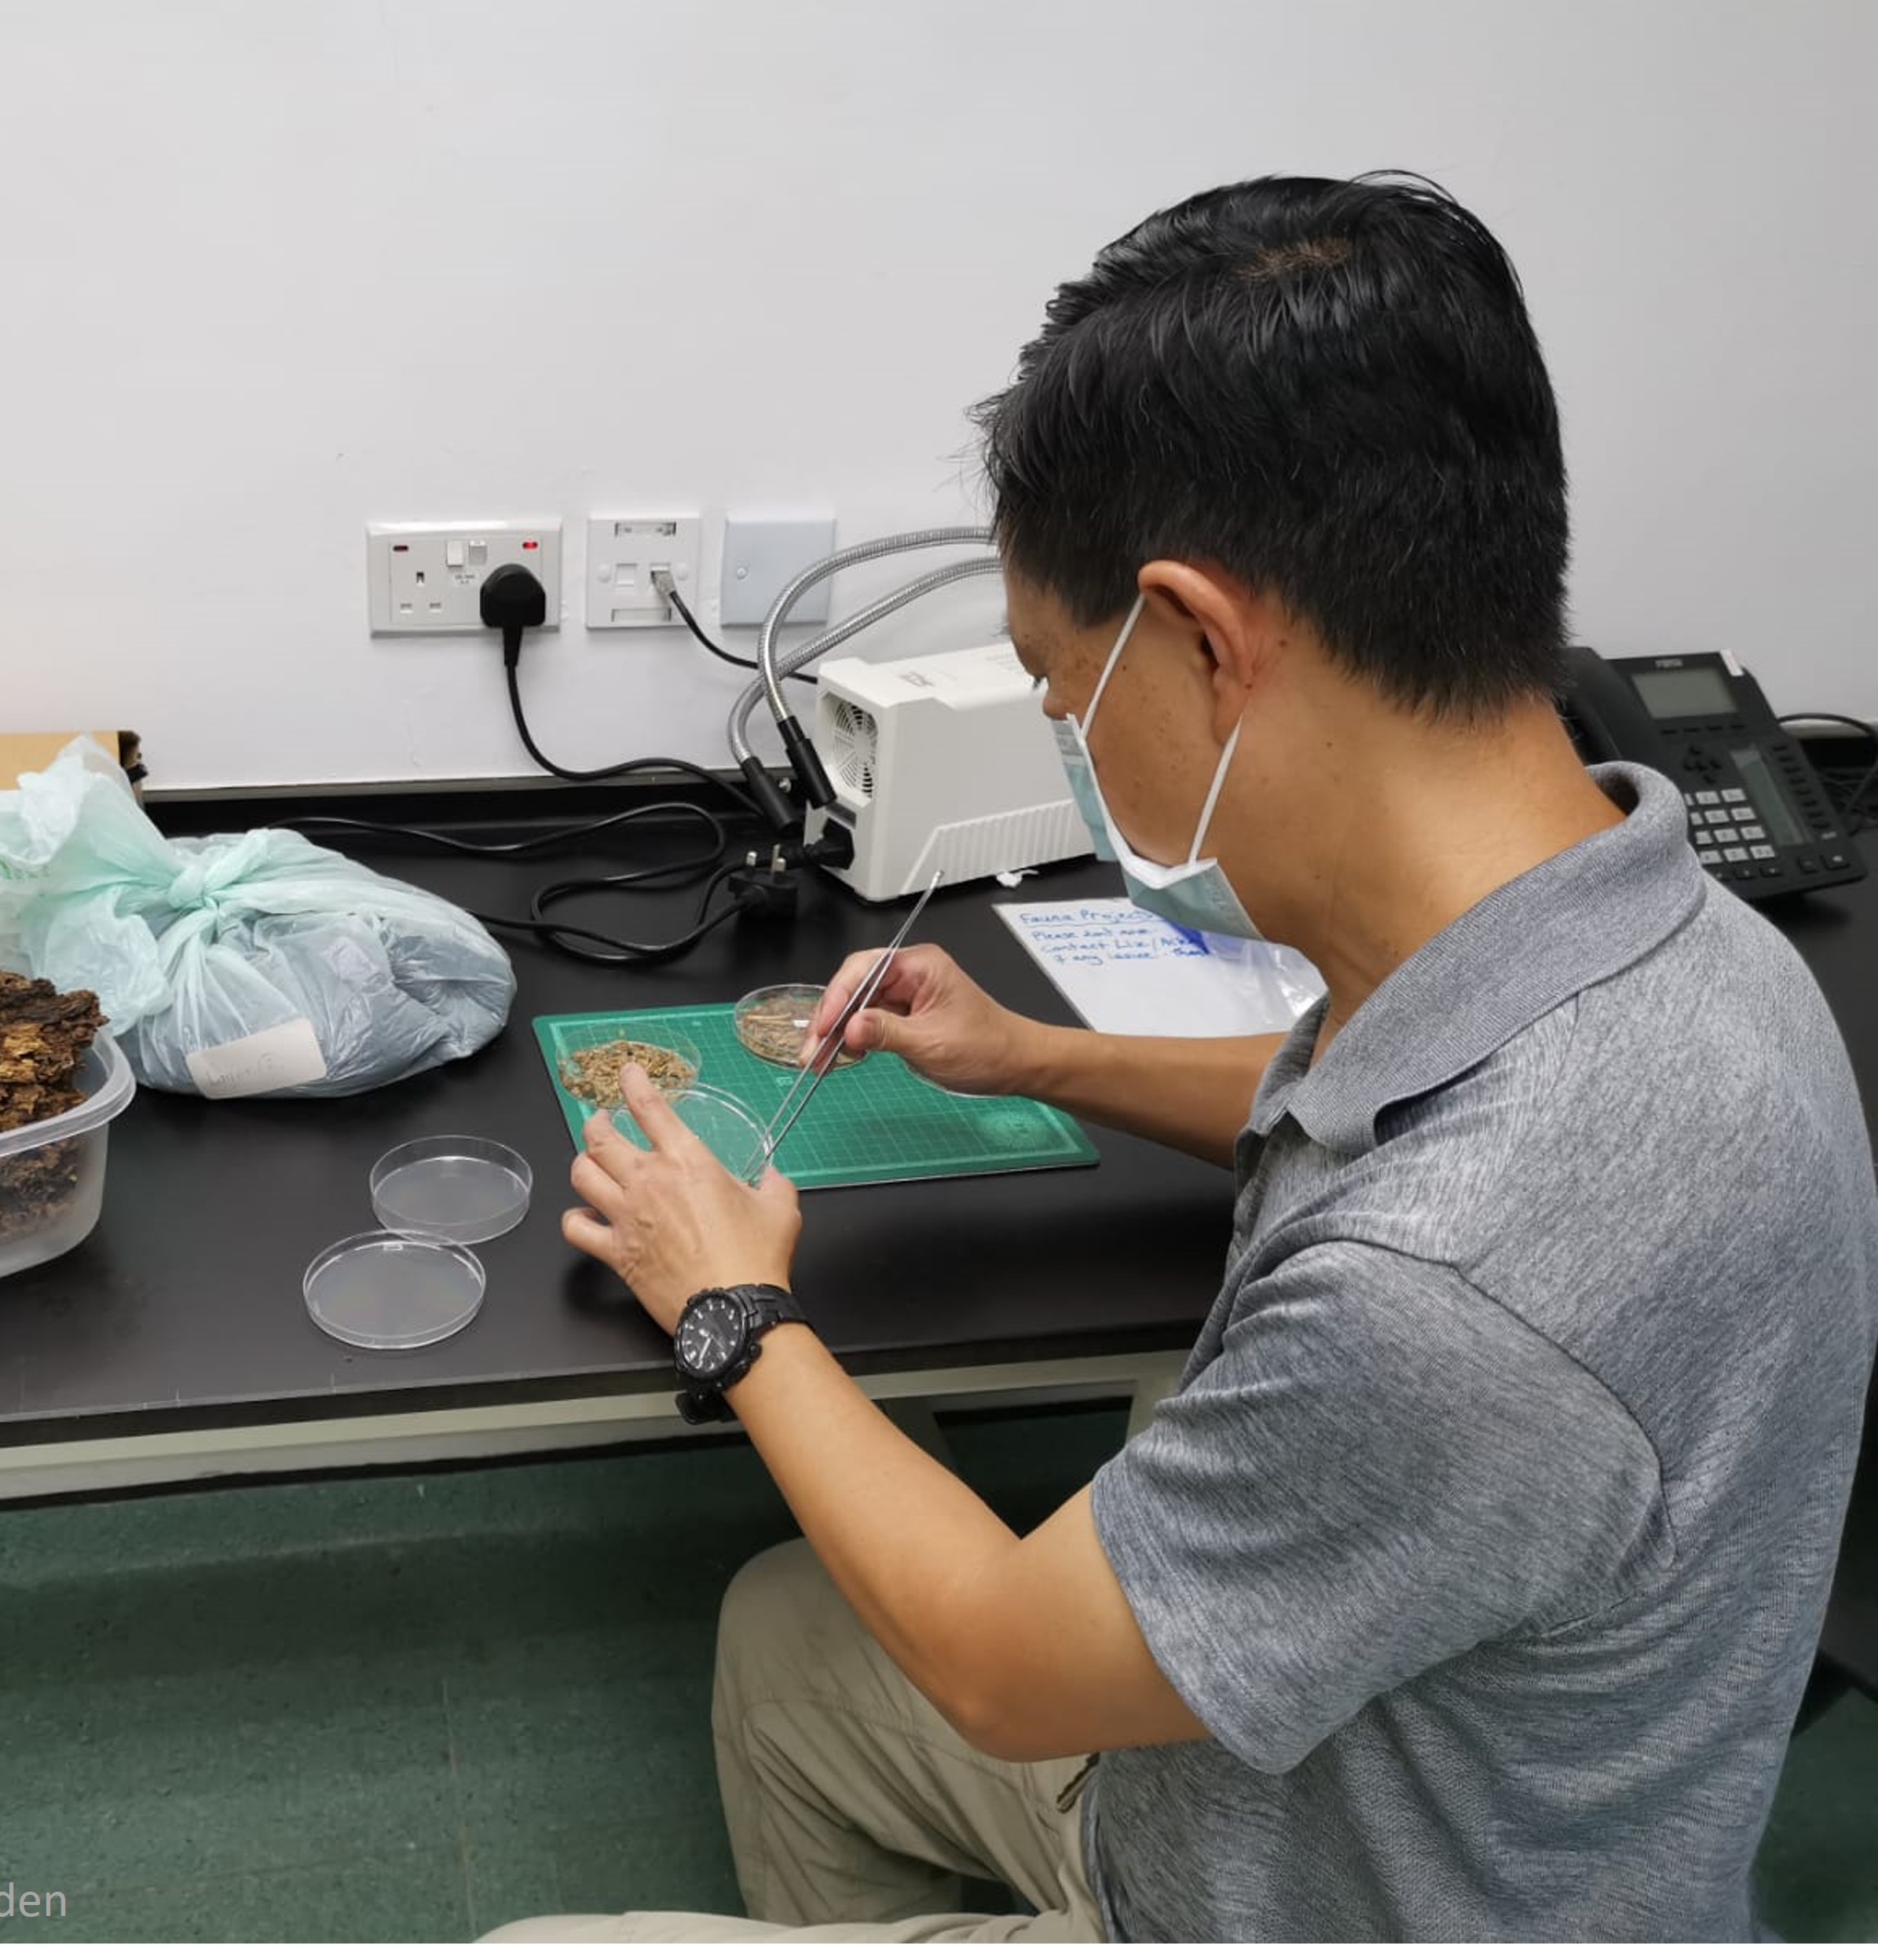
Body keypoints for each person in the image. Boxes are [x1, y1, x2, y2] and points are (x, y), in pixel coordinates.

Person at [485, 174, 1878, 1941]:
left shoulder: (1447, 1303)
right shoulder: (1687, 946)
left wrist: (732, 1308)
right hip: (1366, 1787)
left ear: (1211, 646)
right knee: (789, 1635)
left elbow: (1002, 1669)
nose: (1071, 741)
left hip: (1294, 1907)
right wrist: (1039, 1056)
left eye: (1064, 694)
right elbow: (1388, 1141)